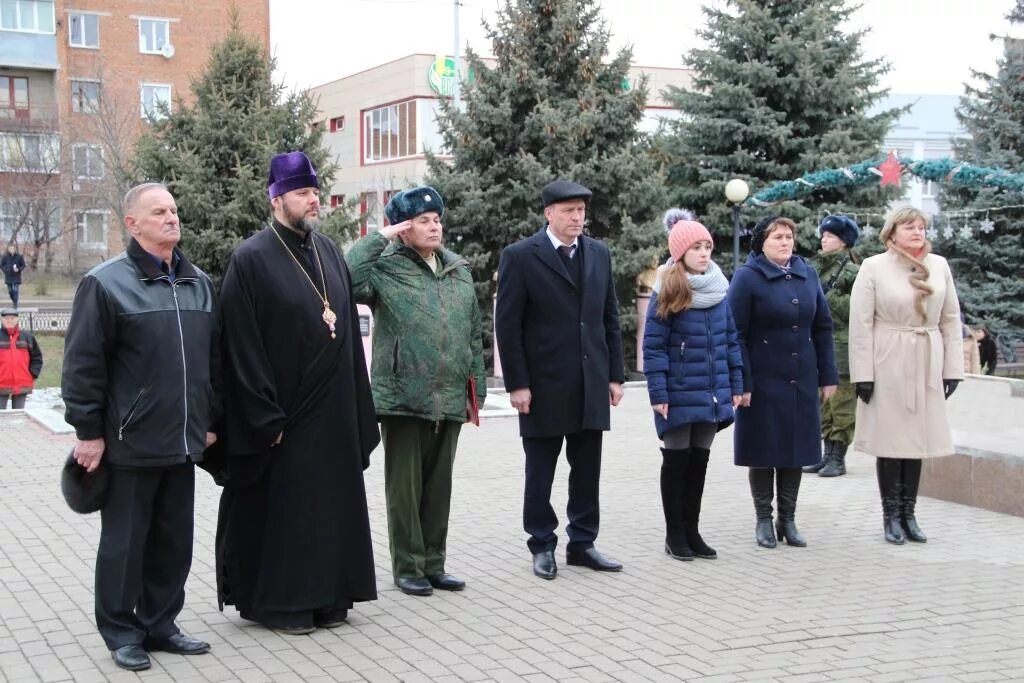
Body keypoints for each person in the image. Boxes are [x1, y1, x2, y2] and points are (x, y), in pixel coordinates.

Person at [216, 151, 379, 635]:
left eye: (315, 193)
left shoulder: (328, 251)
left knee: (330, 509)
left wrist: (357, 410)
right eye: (303, 194)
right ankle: (281, 605)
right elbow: (239, 348)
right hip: (284, 419)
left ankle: (330, 597)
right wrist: (264, 419)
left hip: (333, 414)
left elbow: (345, 331)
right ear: (276, 199)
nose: (313, 202)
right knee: (288, 514)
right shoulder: (250, 259)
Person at [61, 183, 220, 671]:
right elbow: (83, 365)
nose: (171, 218)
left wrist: (209, 420)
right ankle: (120, 631)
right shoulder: (105, 284)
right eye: (159, 211)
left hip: (184, 439)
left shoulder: (198, 283)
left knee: (174, 541)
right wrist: (88, 432)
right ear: (132, 224)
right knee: (126, 544)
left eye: (174, 209)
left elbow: (210, 362)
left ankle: (160, 624)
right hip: (130, 441)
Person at [347, 186, 486, 597]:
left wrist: (471, 390)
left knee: (438, 487)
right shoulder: (386, 268)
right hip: (402, 396)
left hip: (448, 396)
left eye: (437, 219)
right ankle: (408, 566)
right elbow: (346, 277)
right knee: (404, 490)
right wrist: (381, 235)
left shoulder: (457, 269)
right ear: (404, 228)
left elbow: (472, 333)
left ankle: (434, 564)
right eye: (423, 221)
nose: (434, 226)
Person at [495, 179, 626, 580]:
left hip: (590, 381)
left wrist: (615, 375)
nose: (576, 218)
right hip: (543, 385)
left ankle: (582, 543)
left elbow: (609, 318)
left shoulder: (598, 254)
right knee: (541, 470)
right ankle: (542, 543)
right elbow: (508, 324)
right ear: (548, 213)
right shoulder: (520, 256)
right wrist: (517, 383)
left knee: (587, 469)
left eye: (581, 211)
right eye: (568, 210)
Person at [849, 207, 964, 545]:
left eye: (922, 227)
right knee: (891, 440)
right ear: (892, 232)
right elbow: (861, 324)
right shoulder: (874, 267)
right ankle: (890, 516)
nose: (917, 232)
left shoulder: (939, 265)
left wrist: (952, 368)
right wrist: (863, 374)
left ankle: (909, 513)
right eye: (909, 226)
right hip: (888, 359)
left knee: (917, 441)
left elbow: (950, 319)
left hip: (926, 360)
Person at [728, 216, 838, 549]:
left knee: (794, 449)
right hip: (761, 378)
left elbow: (822, 327)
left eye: (789, 236)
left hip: (801, 377)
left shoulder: (808, 274)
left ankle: (787, 520)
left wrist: (828, 375)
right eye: (777, 236)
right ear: (762, 241)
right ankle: (763, 518)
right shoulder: (748, 278)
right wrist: (741, 381)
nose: (785, 241)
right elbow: (736, 334)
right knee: (763, 449)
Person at [642, 217, 743, 561]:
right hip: (679, 390)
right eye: (696, 248)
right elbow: (654, 347)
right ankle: (674, 535)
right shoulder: (668, 288)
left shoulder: (718, 288)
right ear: (680, 251)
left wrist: (737, 385)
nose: (704, 254)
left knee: (699, 462)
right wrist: (659, 393)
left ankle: (692, 530)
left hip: (713, 390)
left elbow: (731, 341)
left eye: (707, 247)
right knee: (676, 462)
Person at [803, 215, 860, 478]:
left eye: (831, 235)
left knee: (841, 405)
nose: (824, 239)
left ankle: (838, 458)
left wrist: (830, 297)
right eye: (823, 234)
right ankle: (826, 455)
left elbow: (857, 310)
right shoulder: (815, 268)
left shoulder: (852, 272)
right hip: (818, 347)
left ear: (844, 241)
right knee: (824, 404)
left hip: (843, 348)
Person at [0, 308, 42, 408]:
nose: (9, 320)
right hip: (1, 382)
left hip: (22, 382)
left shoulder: (27, 336)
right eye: (6, 318)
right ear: (1, 320)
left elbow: (36, 357)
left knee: (18, 415)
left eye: (12, 318)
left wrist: (33, 374)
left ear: (17, 320)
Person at [1, 244, 26, 308]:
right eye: (10, 248)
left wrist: (18, 269)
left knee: (15, 290)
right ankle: (14, 300)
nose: (12, 250)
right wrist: (5, 270)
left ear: (15, 249)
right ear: (8, 249)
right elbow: (1, 265)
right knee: (10, 291)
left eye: (13, 248)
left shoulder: (19, 257)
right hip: (8, 276)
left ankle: (15, 303)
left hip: (16, 276)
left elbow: (23, 265)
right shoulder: (5, 257)